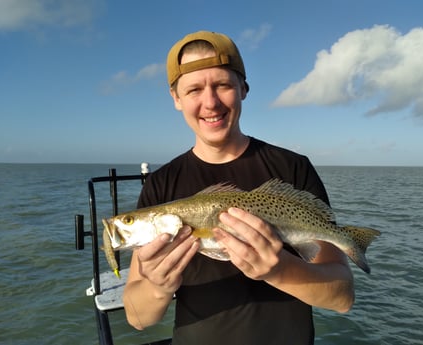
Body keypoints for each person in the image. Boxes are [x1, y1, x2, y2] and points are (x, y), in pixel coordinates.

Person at [123, 31, 354, 345]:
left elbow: (342, 297)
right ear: (176, 99)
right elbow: (137, 318)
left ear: (243, 89)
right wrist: (157, 287)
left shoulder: (293, 168)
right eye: (193, 89)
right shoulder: (161, 186)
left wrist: (280, 269)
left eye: (223, 85)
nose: (210, 102)